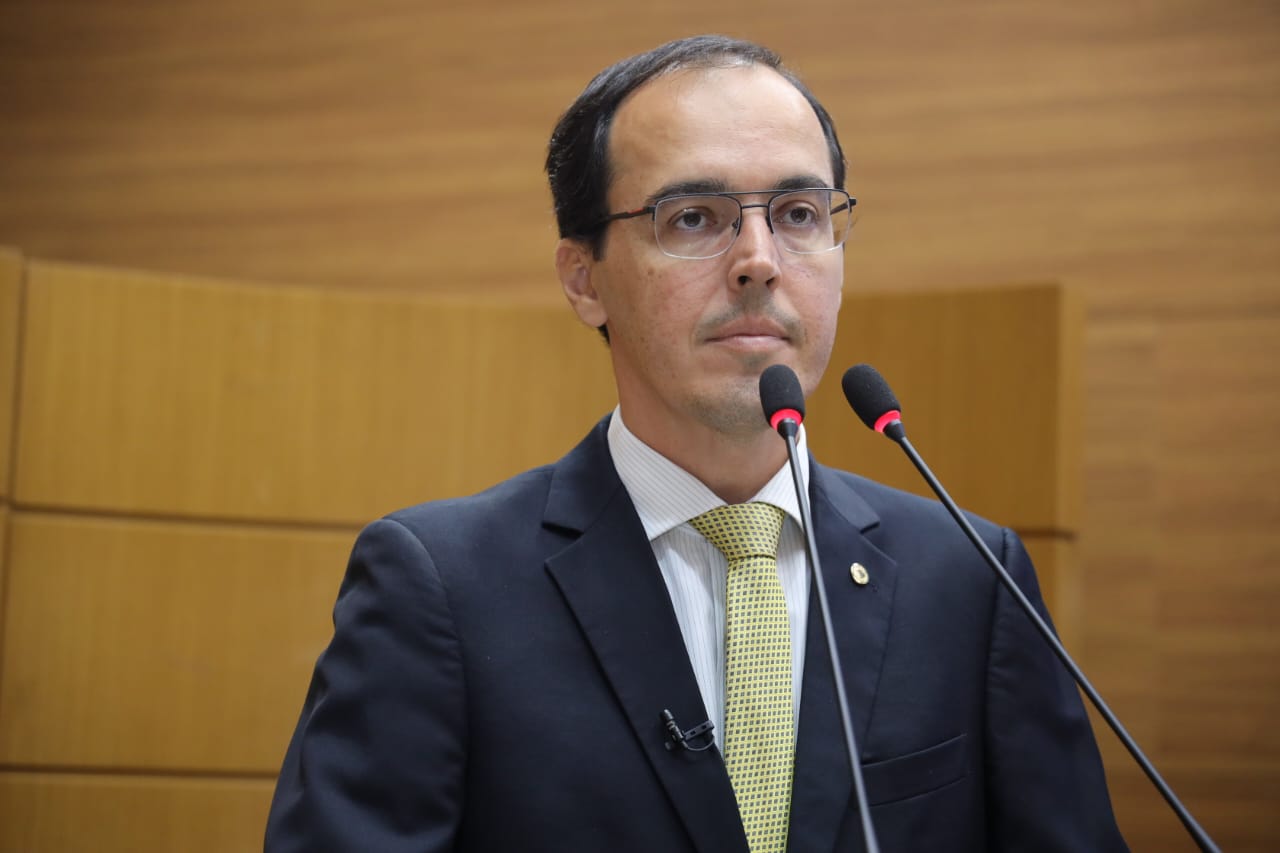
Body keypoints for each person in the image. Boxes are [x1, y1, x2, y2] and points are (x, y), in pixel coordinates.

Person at [264, 35, 1127, 852]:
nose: (759, 259)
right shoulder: (439, 588)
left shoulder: (969, 575)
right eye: (693, 218)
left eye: (796, 212)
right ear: (584, 278)